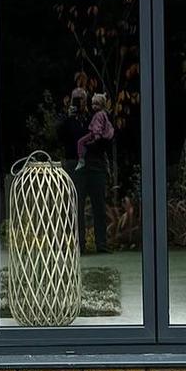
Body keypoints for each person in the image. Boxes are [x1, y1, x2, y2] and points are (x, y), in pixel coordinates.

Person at [75, 92, 114, 256]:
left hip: (95, 166)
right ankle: (80, 244)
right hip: (87, 167)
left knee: (98, 207)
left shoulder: (98, 118)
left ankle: (101, 243)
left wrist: (95, 143)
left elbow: (104, 140)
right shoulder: (78, 119)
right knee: (79, 207)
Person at [55, 88, 91, 250]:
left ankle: (82, 243)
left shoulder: (90, 118)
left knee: (83, 204)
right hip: (72, 162)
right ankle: (71, 243)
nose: (79, 102)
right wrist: (68, 118)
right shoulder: (66, 118)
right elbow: (59, 136)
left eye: (82, 99)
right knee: (72, 203)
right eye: (76, 99)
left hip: (88, 161)